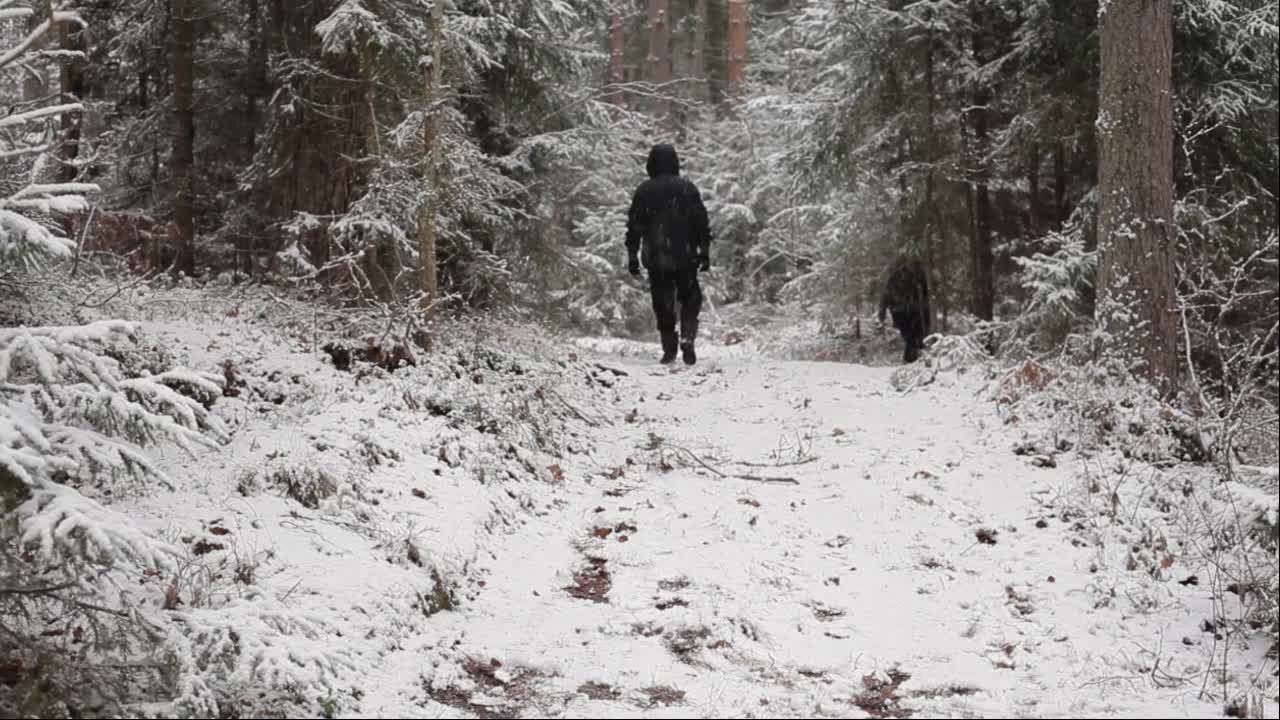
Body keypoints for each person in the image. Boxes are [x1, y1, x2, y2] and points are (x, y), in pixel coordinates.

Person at [625, 144, 712, 365]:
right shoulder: (687, 188)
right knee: (690, 298)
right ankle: (688, 338)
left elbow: (634, 226)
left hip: (656, 256)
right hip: (685, 255)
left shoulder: (644, 190)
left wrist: (633, 255)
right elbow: (701, 222)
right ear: (675, 162)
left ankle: (669, 347)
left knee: (662, 301)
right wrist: (704, 251)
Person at [878, 256, 931, 364]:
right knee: (913, 335)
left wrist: (882, 311)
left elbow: (885, 295)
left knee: (910, 336)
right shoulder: (915, 276)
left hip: (901, 311)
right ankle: (912, 359)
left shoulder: (897, 277)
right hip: (909, 310)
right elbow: (886, 294)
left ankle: (912, 359)